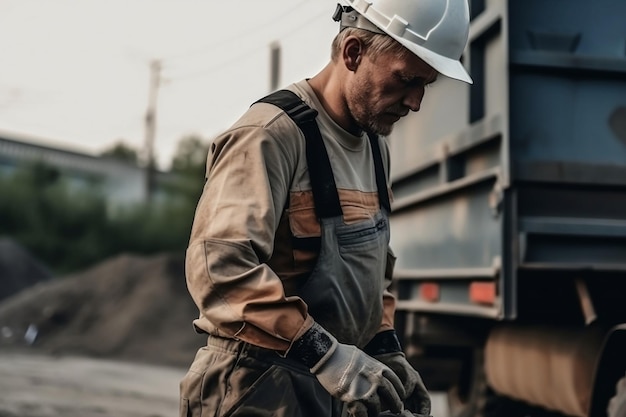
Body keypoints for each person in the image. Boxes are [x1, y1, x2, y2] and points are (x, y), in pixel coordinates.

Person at [180, 1, 473, 416]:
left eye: (427, 85)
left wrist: (385, 348)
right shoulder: (269, 137)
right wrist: (326, 355)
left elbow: (368, 273)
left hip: (329, 392)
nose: (416, 102)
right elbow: (221, 272)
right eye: (406, 80)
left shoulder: (375, 146)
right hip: (255, 390)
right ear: (353, 52)